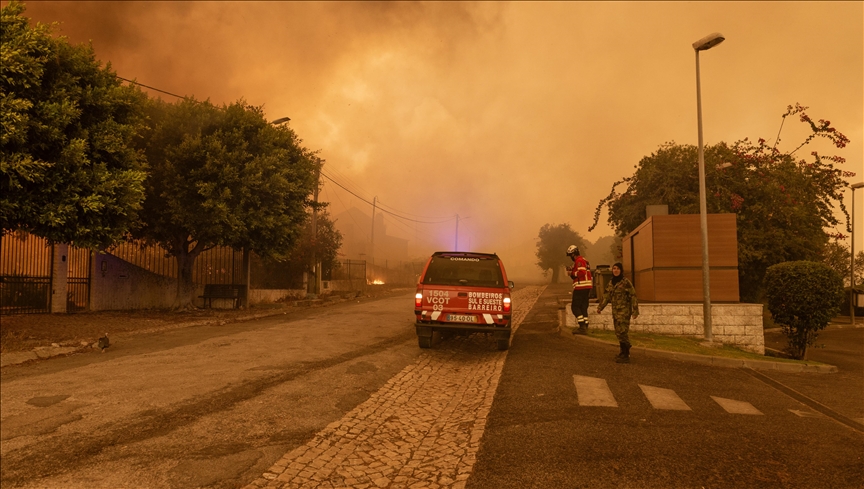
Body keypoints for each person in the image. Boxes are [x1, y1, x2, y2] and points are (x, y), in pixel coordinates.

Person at [596, 262, 639, 363]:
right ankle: (622, 351)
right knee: (618, 332)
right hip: (615, 312)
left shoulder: (626, 282)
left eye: (618, 269)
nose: (615, 270)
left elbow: (633, 296)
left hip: (624, 311)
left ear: (621, 270)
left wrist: (635, 311)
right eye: (614, 268)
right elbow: (606, 296)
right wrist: (600, 307)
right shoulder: (611, 283)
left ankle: (626, 353)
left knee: (622, 331)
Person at [566, 245, 592, 335]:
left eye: (570, 255)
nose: (570, 257)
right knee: (583, 307)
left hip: (581, 287)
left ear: (573, 254)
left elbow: (581, 272)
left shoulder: (579, 261)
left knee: (575, 307)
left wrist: (572, 273)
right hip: (587, 287)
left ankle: (582, 327)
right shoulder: (585, 260)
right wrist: (573, 270)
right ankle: (585, 325)